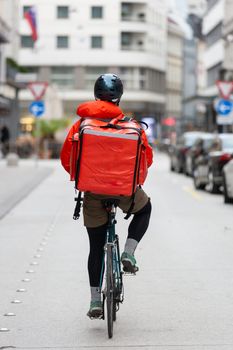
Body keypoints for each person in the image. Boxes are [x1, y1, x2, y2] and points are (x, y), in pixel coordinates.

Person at [60, 74, 153, 319]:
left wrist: (85, 179)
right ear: (118, 98)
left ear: (95, 95)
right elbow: (146, 160)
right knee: (145, 209)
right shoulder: (132, 125)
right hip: (125, 191)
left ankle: (94, 302)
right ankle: (128, 253)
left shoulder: (81, 125)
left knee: (95, 248)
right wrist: (134, 183)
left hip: (92, 193)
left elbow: (67, 158)